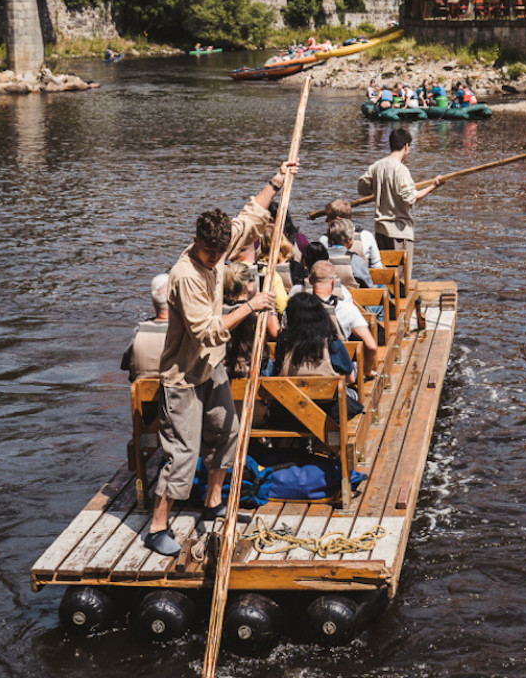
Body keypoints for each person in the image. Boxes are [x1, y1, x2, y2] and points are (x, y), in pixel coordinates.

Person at [143, 160, 299, 557]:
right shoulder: (186, 275)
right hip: (183, 377)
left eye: (220, 253)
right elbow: (207, 330)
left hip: (212, 367)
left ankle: (212, 503)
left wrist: (275, 182)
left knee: (226, 433)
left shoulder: (220, 244)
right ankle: (157, 526)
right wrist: (251, 305)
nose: (217, 259)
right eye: (211, 254)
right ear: (198, 242)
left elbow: (249, 216)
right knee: (182, 453)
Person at [356, 129, 440, 280]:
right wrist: (433, 186)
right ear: (406, 146)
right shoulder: (401, 170)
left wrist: (377, 186)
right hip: (399, 231)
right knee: (400, 280)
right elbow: (411, 198)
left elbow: (362, 187)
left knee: (384, 277)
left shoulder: (377, 166)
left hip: (381, 229)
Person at [307, 261, 378, 379]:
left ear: (310, 280)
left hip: (302, 373)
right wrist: (367, 371)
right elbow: (371, 346)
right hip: (337, 375)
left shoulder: (295, 309)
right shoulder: (347, 308)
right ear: (334, 281)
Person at [121, 274, 170, 382]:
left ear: (153, 302)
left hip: (142, 395)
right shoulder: (183, 332)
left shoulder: (138, 332)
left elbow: (125, 365)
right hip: (177, 395)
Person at [319, 199, 382, 269]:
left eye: (328, 217)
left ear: (337, 220)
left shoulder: (324, 240)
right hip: (361, 278)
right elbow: (377, 266)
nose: (326, 221)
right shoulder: (367, 236)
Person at [325, 218, 373, 289]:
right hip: (354, 299)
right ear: (349, 240)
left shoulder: (321, 259)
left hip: (327, 297)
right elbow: (369, 287)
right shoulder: (357, 261)